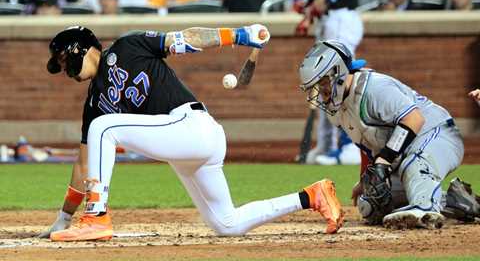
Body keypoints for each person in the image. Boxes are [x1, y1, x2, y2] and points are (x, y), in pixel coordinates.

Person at [39, 25, 344, 241]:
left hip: (193, 127)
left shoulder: (127, 46)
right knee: (227, 224)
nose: (65, 69)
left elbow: (185, 39)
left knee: (103, 127)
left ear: (81, 48)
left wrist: (237, 35)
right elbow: (84, 165)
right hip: (184, 148)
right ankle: (312, 196)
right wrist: (64, 218)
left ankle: (96, 217)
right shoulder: (94, 102)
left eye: (65, 60)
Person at [298, 40, 480, 229]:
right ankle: (457, 203)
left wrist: (384, 161)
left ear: (338, 73)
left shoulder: (374, 88)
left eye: (323, 83)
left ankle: (424, 208)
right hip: (405, 150)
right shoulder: (337, 109)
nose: (321, 92)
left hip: (437, 134)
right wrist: (366, 179)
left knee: (414, 165)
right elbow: (366, 144)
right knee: (371, 203)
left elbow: (414, 119)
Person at [296, 0, 363, 165]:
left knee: (339, 80)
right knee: (324, 82)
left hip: (342, 19)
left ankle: (350, 146)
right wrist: (308, 7)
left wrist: (314, 7)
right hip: (329, 21)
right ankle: (327, 145)